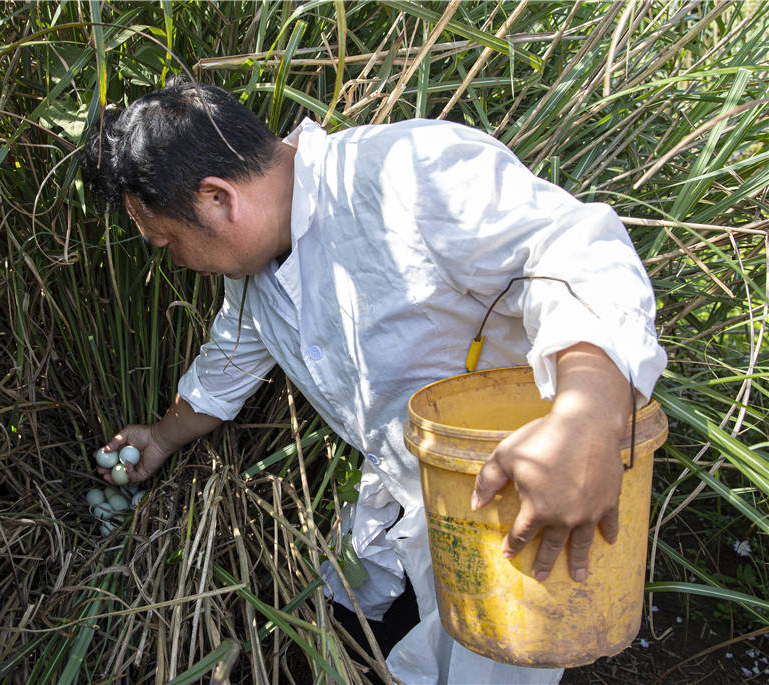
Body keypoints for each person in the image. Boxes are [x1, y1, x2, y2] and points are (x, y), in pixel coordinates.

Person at [80, 76, 666, 684]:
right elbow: (226, 366)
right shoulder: (254, 273)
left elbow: (577, 250)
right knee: (362, 628)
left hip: (519, 511)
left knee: (488, 667)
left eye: (167, 242)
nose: (175, 259)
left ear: (217, 199)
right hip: (408, 494)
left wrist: (588, 418)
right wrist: (160, 437)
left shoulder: (407, 172)